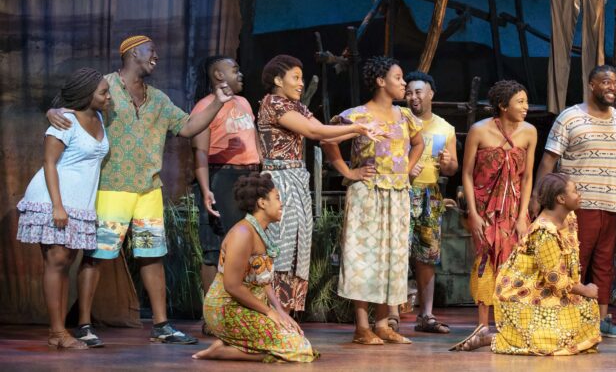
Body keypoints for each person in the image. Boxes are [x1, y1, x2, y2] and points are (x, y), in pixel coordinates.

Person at [46, 35, 234, 346]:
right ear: (133, 52)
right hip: (112, 186)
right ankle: (83, 325)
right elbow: (69, 107)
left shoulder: (158, 99)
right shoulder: (105, 86)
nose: (156, 56)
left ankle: (161, 325)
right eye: (152, 51)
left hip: (148, 188)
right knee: (97, 255)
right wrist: (52, 112)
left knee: (152, 255)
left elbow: (187, 127)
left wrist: (217, 102)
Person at [256, 54, 378, 315]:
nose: (300, 84)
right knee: (280, 249)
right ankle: (270, 314)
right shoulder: (274, 103)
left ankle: (285, 315)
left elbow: (321, 129)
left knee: (297, 249)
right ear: (278, 79)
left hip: (296, 181)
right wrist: (356, 129)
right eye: (295, 78)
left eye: (302, 78)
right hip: (278, 183)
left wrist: (360, 130)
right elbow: (315, 133)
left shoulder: (296, 106)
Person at [534, 64, 616, 338]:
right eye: (605, 82)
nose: (611, 87)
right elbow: (548, 161)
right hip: (577, 207)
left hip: (611, 204)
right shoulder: (569, 118)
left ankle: (602, 319)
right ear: (591, 85)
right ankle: (569, 315)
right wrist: (537, 198)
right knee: (575, 261)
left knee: (604, 264)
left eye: (614, 83)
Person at [332, 56, 425, 345]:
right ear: (381, 81)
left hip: (397, 195)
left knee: (392, 259)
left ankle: (383, 324)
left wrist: (406, 171)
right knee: (364, 257)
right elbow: (328, 139)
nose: (403, 84)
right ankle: (362, 326)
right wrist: (349, 171)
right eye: (398, 78)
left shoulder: (405, 116)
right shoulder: (356, 115)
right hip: (367, 193)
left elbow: (419, 143)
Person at [18, 68, 111, 350]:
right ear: (86, 94)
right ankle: (57, 332)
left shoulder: (98, 117)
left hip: (79, 202)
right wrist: (58, 206)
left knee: (64, 264)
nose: (108, 97)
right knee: (56, 264)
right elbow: (49, 163)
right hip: (54, 199)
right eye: (103, 92)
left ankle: (59, 330)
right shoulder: (63, 121)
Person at [193, 172, 318, 362]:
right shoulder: (243, 233)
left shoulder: (260, 231)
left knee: (296, 336)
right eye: (277, 198)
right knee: (299, 350)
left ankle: (233, 345)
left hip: (248, 306)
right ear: (262, 203)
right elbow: (232, 286)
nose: (281, 203)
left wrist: (281, 312)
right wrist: (269, 312)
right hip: (227, 309)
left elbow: (263, 280)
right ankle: (221, 351)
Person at [452, 79, 537, 352]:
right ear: (503, 105)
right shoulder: (479, 130)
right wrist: (474, 214)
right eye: (520, 102)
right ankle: (482, 324)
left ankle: (509, 323)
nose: (526, 107)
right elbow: (465, 173)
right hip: (485, 208)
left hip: (513, 208)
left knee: (514, 263)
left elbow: (528, 178)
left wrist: (523, 214)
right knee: (485, 259)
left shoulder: (529, 133)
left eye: (525, 101)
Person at [492, 173, 602, 356]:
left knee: (586, 309)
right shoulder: (544, 232)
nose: (579, 195)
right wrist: (584, 289)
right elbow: (554, 278)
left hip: (544, 288)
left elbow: (571, 260)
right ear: (561, 199)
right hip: (522, 293)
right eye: (575, 191)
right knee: (548, 343)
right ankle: (497, 338)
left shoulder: (569, 219)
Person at [385, 71, 458, 335]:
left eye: (419, 92)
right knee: (396, 254)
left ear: (431, 94)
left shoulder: (445, 128)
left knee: (427, 256)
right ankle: (392, 314)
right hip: (401, 192)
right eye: (409, 92)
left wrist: (449, 164)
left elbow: (452, 169)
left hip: (430, 194)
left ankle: (425, 315)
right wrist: (405, 169)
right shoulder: (398, 121)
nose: (413, 97)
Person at [191, 56, 260, 295]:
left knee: (247, 246)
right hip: (221, 177)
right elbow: (199, 151)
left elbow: (254, 140)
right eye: (235, 70)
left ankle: (239, 308)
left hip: (248, 177)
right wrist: (205, 189)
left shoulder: (243, 102)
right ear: (219, 75)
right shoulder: (205, 106)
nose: (240, 75)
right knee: (216, 248)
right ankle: (212, 313)